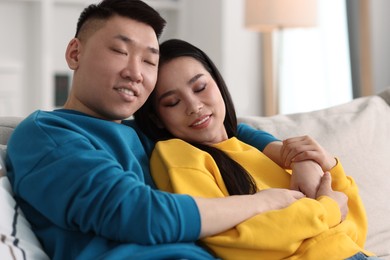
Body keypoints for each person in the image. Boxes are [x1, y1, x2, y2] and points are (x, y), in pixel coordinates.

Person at [4, 1, 317, 259]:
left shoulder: (144, 134)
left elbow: (219, 130)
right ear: (75, 54)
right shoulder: (47, 134)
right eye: (120, 51)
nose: (135, 73)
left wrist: (287, 152)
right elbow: (140, 215)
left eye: (149, 61)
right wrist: (264, 201)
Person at [134, 39, 376, 259]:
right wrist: (328, 209)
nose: (194, 106)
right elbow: (235, 239)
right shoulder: (176, 154)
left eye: (200, 88)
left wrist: (328, 166)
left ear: (218, 83)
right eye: (172, 102)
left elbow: (354, 231)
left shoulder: (254, 147)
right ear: (157, 118)